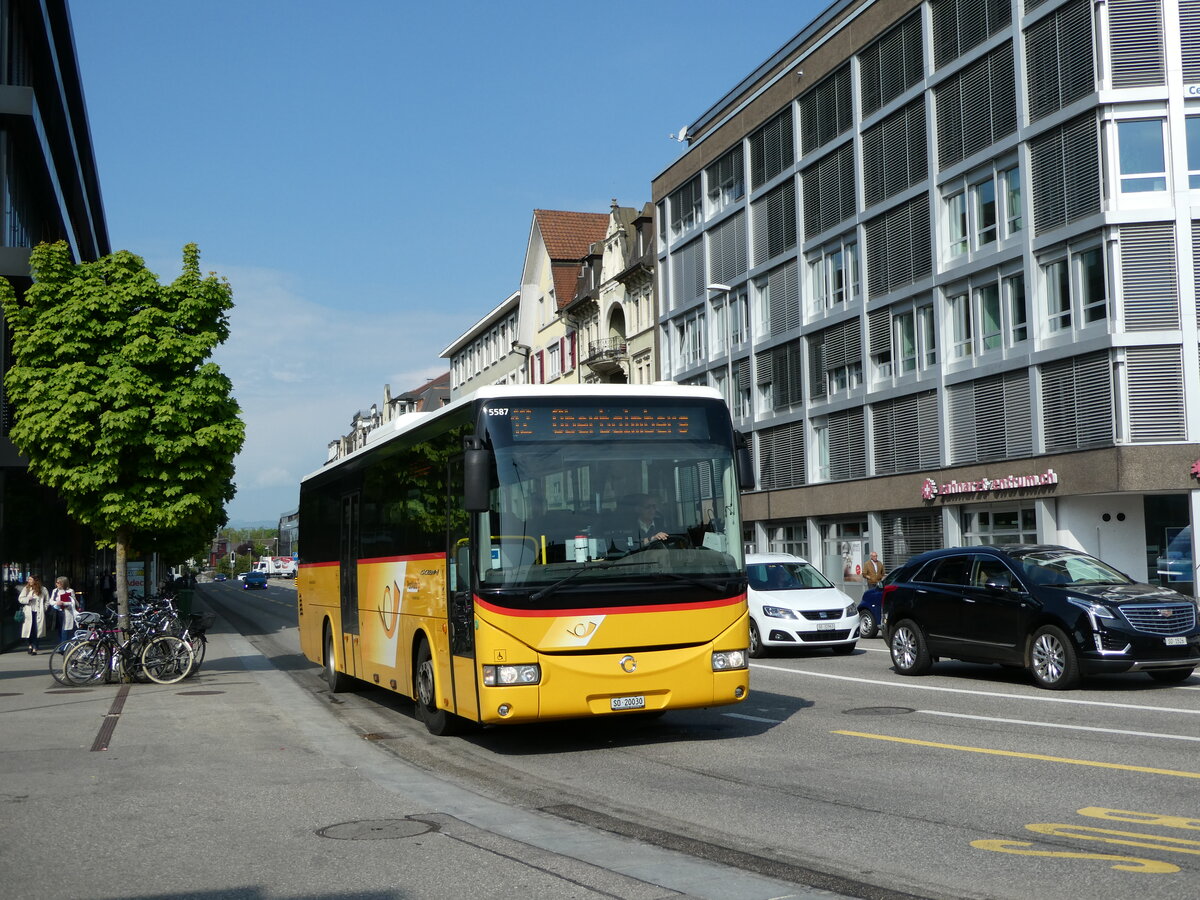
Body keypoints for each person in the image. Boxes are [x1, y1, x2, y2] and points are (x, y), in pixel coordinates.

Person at [18, 574, 50, 655]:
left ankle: (35, 648)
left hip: (38, 612)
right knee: (28, 631)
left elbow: (47, 601)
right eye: (28, 579)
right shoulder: (26, 588)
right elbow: (20, 599)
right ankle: (30, 645)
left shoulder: (43, 589)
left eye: (30, 579)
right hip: (28, 613)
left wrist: (44, 608)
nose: (29, 581)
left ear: (36, 580)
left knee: (37, 631)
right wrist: (27, 599)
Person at [49, 576, 81, 643]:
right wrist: (56, 603)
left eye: (58, 583)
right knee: (59, 629)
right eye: (56, 583)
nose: (56, 584)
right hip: (58, 612)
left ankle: (63, 647)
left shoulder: (70, 591)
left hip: (67, 612)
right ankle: (61, 644)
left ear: (63, 583)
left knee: (65, 630)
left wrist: (64, 603)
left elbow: (73, 602)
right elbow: (51, 601)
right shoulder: (55, 591)